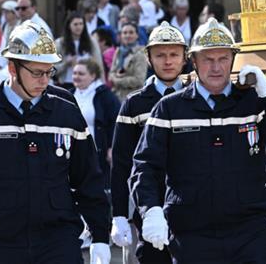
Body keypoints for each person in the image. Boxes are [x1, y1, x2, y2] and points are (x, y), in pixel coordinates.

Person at [0, 21, 111, 264]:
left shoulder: (67, 114)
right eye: (37, 72)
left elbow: (88, 179)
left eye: (49, 72)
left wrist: (100, 234)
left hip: (57, 242)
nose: (44, 80)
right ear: (12, 68)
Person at [129, 19, 266, 263]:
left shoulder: (253, 102)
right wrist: (150, 210)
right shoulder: (169, 108)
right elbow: (145, 165)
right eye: (208, 59)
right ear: (194, 61)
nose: (216, 67)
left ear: (233, 60)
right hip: (191, 234)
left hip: (249, 232)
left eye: (223, 59)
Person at [110, 21, 187, 264]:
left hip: (191, 203)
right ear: (149, 58)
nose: (167, 61)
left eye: (174, 54)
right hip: (150, 201)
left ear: (185, 57)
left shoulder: (198, 97)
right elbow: (122, 163)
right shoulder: (134, 104)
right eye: (160, 55)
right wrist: (120, 214)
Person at [72, 58, 120, 189]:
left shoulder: (105, 95)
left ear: (93, 76)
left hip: (98, 150)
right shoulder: (70, 94)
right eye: (74, 73)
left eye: (81, 74)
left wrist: (112, 147)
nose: (76, 77)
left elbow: (115, 122)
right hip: (75, 151)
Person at [54, 11, 104, 91]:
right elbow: (52, 69)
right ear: (69, 26)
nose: (79, 27)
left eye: (81, 24)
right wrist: (66, 63)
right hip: (66, 84)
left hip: (88, 84)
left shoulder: (91, 42)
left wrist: (101, 84)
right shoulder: (60, 43)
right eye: (75, 24)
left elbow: (99, 65)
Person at [109, 22, 148, 99]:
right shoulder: (119, 51)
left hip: (133, 97)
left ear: (137, 35)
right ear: (121, 35)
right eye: (125, 33)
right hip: (117, 95)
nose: (127, 35)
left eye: (131, 32)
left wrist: (117, 81)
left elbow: (139, 80)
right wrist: (115, 76)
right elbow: (111, 72)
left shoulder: (140, 54)